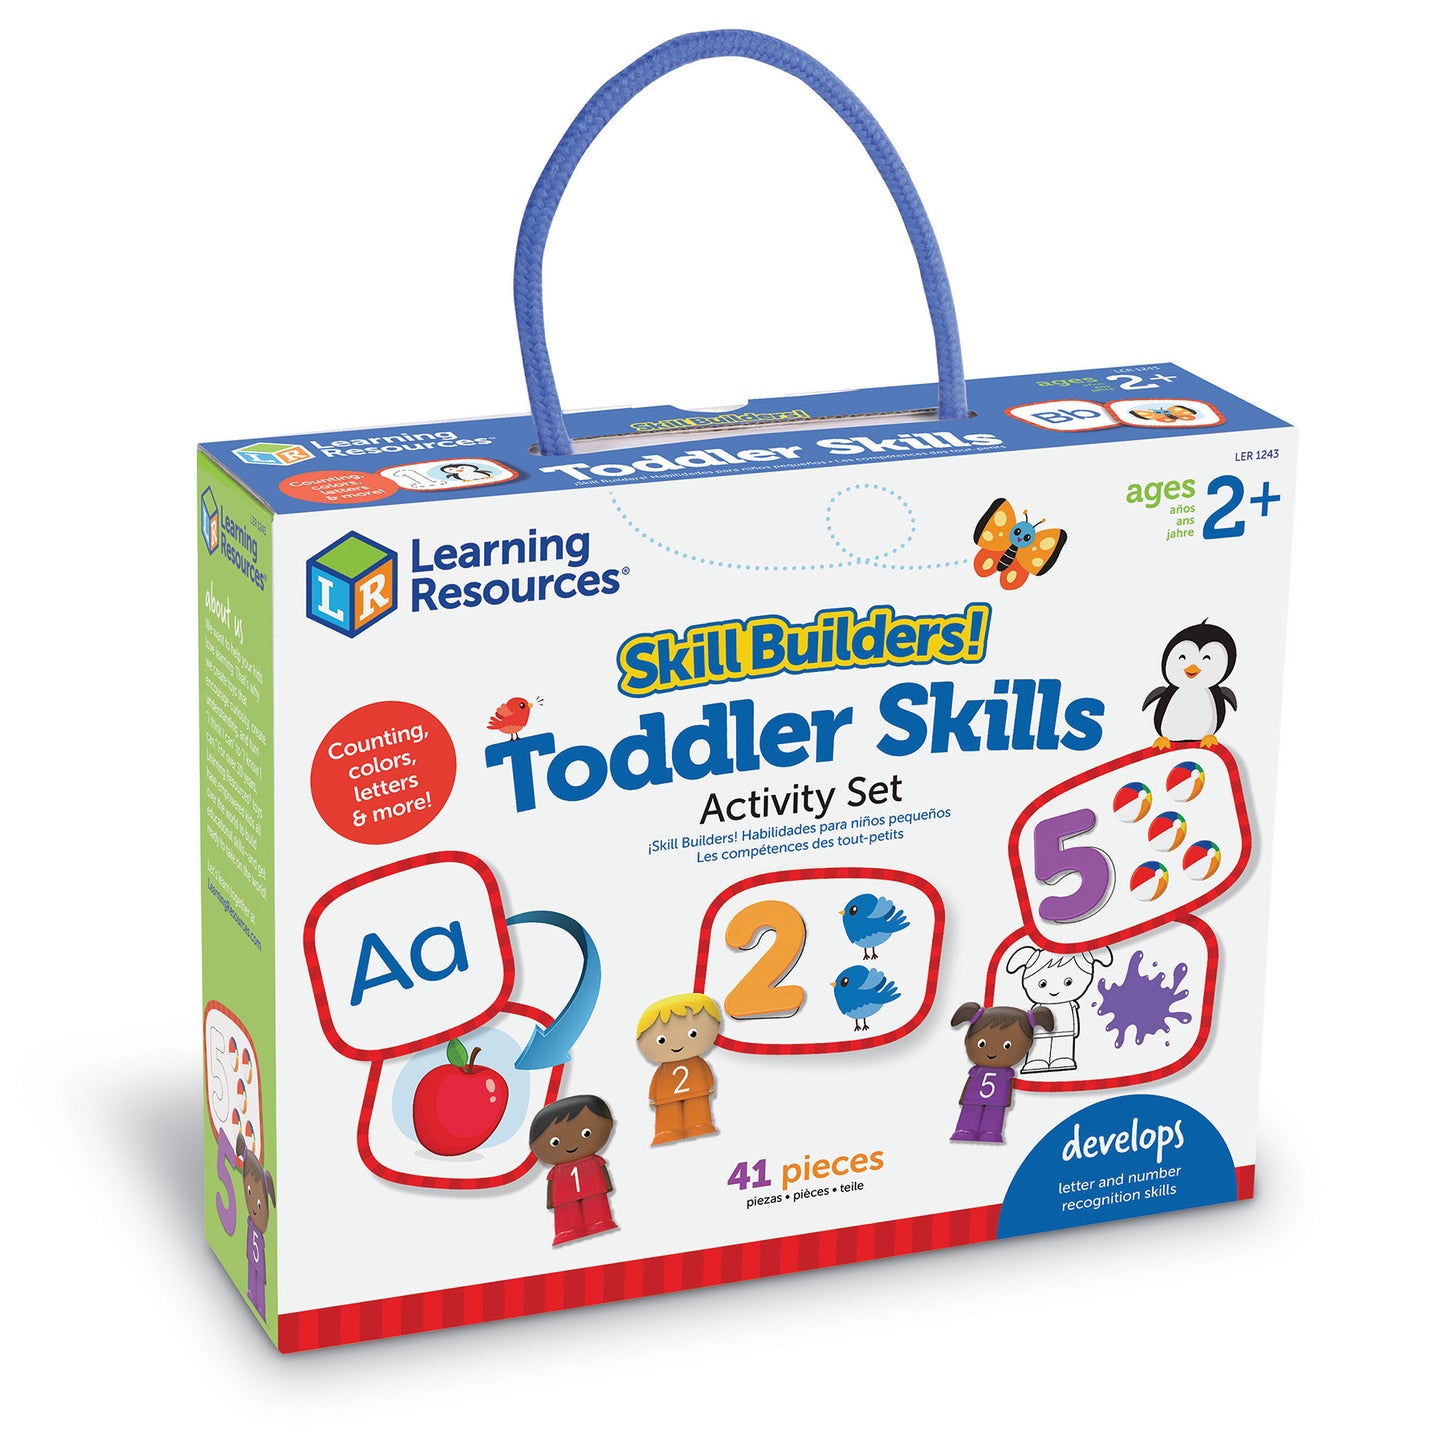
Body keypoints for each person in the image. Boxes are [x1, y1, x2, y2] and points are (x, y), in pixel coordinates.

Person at [948, 1002, 1053, 1143]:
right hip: (974, 1097)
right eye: (982, 1044)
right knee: (971, 1109)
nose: (992, 1052)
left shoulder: (1005, 1073)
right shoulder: (979, 1070)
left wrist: (1006, 1100)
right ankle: (965, 1129)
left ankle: (991, 1131)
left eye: (1007, 1046)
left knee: (994, 1113)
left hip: (997, 1099)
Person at [529, 1095, 618, 1245]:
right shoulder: (557, 1171)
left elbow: (603, 1172)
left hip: (593, 1190)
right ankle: (567, 1230)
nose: (571, 1145)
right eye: (555, 1142)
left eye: (586, 1133)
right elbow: (551, 1183)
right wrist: (551, 1201)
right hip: (564, 1197)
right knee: (567, 1212)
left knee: (596, 1206)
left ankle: (599, 1221)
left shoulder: (594, 1161)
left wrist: (607, 1186)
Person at [636, 992, 722, 1143]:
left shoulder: (696, 1063)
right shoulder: (664, 1070)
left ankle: (699, 1124)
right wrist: (653, 1097)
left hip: (695, 1091)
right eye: (661, 1040)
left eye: (692, 1034)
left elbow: (705, 1071)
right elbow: (656, 1081)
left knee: (697, 1109)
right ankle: (666, 1131)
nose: (677, 1044)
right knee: (668, 1113)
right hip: (667, 1096)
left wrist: (709, 1085)